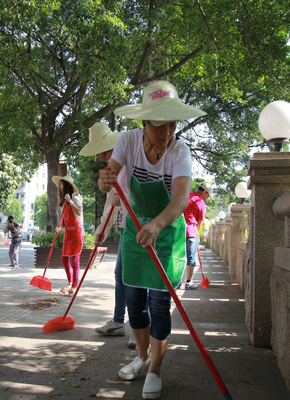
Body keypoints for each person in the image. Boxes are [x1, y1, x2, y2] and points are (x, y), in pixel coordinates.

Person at [99, 80, 206, 399]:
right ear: (144, 122)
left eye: (172, 124)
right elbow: (109, 180)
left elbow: (182, 198)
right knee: (134, 302)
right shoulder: (128, 142)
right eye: (160, 125)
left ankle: (156, 370)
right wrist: (105, 180)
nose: (167, 132)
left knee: (160, 304)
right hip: (134, 231)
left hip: (167, 233)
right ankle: (143, 357)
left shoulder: (179, 151)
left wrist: (158, 225)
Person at [79, 122, 137, 347]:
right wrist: (102, 229)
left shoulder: (131, 159)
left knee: (136, 277)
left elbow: (136, 194)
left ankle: (140, 326)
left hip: (142, 225)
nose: (102, 158)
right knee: (121, 273)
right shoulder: (114, 167)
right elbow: (111, 201)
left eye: (103, 152)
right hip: (126, 226)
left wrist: (124, 200)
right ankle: (118, 321)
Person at [52, 176, 84, 295]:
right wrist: (60, 227)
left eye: (61, 184)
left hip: (77, 233)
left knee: (75, 261)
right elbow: (65, 219)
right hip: (68, 234)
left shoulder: (76, 197)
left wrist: (71, 201)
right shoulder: (62, 202)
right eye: (59, 185)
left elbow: (79, 212)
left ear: (68, 186)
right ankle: (70, 282)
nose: (59, 187)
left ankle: (73, 286)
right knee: (65, 260)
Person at [182, 182, 213, 289]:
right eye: (208, 195)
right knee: (191, 257)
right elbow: (199, 223)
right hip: (191, 232)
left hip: (178, 230)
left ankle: (175, 282)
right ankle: (188, 282)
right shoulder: (201, 203)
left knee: (178, 256)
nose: (207, 198)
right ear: (204, 192)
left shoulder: (186, 194)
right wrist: (197, 235)